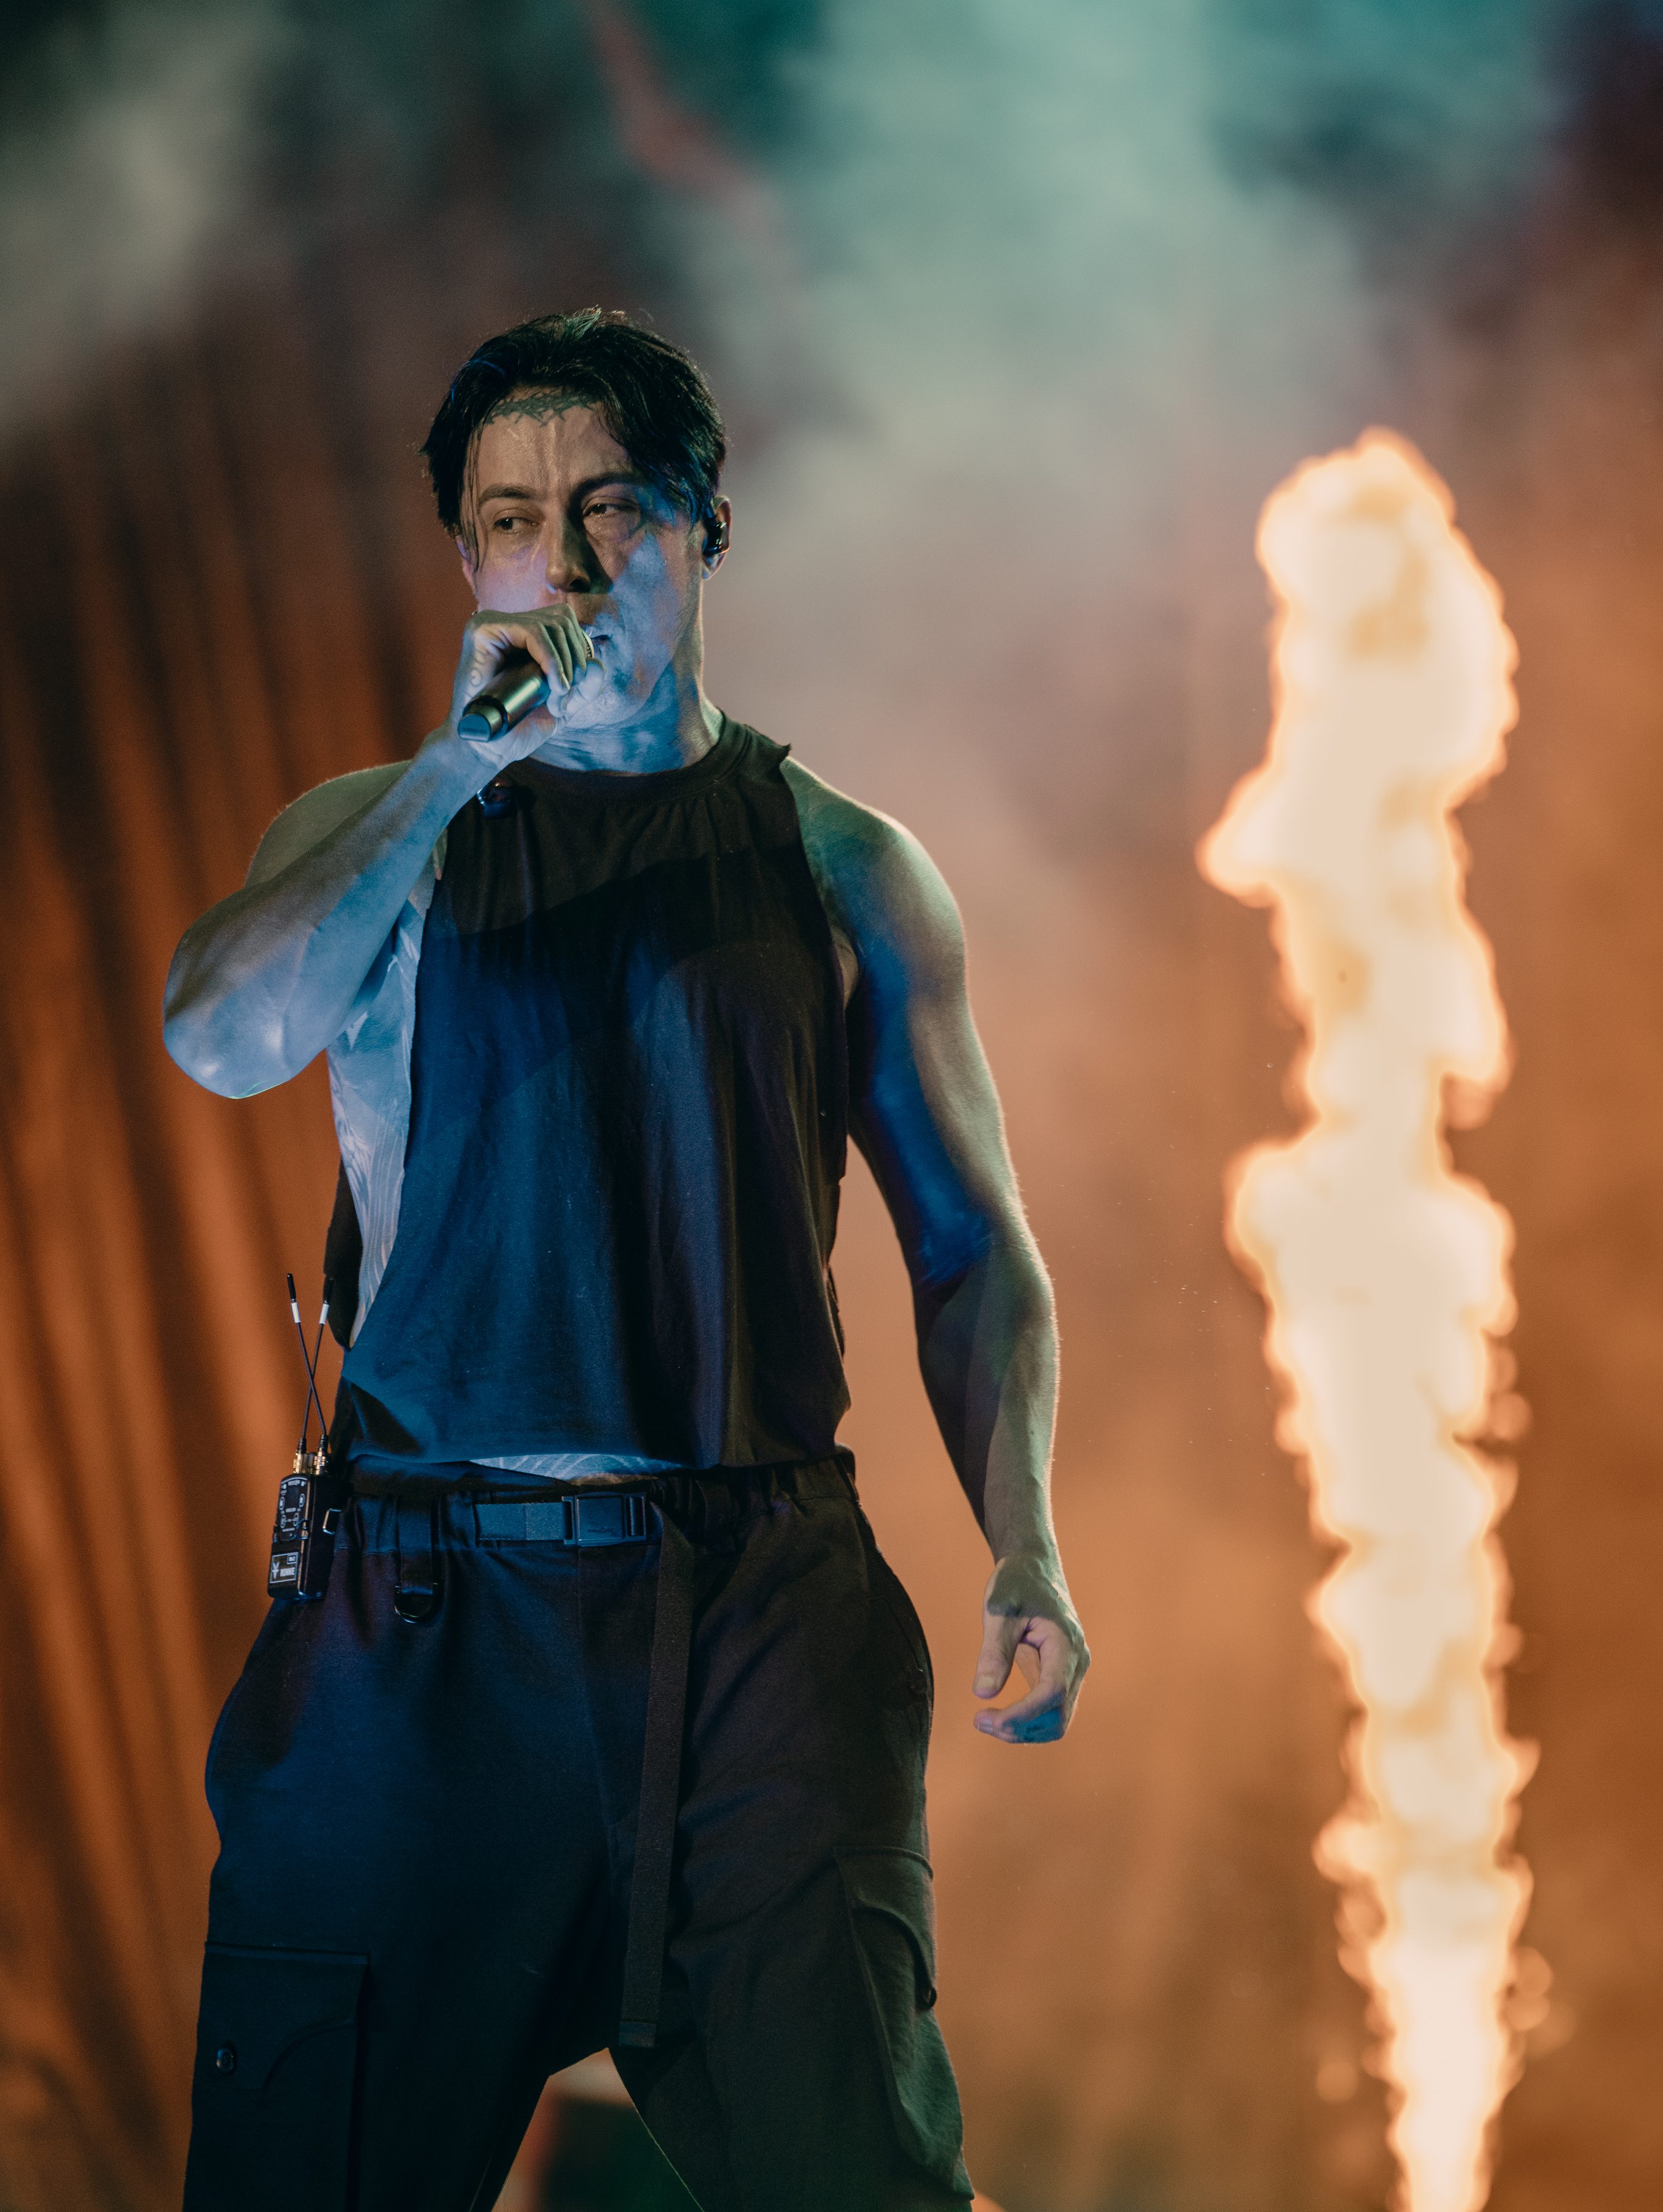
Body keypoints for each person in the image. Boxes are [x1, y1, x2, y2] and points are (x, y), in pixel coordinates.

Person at [163, 307, 1089, 2212]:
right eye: (511, 520)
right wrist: (451, 769)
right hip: (432, 1616)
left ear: (706, 526)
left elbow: (969, 1247)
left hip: (756, 1607)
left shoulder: (841, 864)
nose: (565, 564)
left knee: (854, 2169)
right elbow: (221, 1037)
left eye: (611, 511)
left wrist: (1028, 1542)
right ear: (468, 560)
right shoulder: (379, 841)